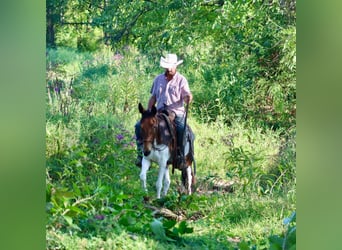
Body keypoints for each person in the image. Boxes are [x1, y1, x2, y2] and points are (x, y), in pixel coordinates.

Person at [135, 53, 193, 167]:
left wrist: (188, 97)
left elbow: (187, 96)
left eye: (171, 66)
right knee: (138, 126)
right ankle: (141, 154)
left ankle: (180, 155)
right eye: (167, 66)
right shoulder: (158, 79)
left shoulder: (181, 80)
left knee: (182, 129)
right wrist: (149, 111)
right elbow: (153, 97)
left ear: (176, 66)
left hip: (176, 112)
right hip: (160, 111)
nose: (169, 68)